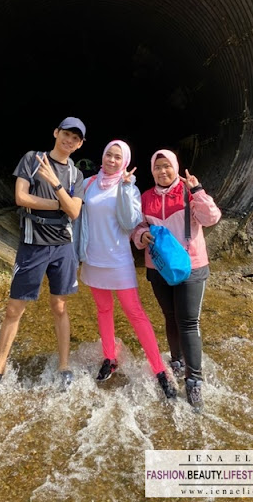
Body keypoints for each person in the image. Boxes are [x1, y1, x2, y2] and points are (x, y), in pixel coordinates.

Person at [0, 117, 86, 397]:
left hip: (63, 247)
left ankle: (64, 365)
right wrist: (59, 203)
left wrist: (54, 185)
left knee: (59, 306)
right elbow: (21, 197)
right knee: (14, 308)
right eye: (66, 134)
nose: (69, 140)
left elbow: (75, 212)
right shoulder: (32, 159)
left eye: (76, 138)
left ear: (80, 144)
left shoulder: (76, 175)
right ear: (56, 132)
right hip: (33, 244)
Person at [76, 139, 178, 400]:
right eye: (109, 155)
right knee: (103, 310)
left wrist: (123, 187)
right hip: (93, 258)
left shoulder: (130, 188)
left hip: (118, 260)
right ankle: (110, 357)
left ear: (126, 162)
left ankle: (159, 369)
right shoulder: (88, 184)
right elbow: (76, 216)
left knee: (135, 313)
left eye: (117, 157)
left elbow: (130, 222)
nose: (112, 160)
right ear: (103, 156)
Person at [132, 149, 221, 412]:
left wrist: (198, 192)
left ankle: (194, 381)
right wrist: (141, 236)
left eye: (167, 166)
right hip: (158, 267)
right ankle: (177, 361)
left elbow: (211, 218)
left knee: (189, 322)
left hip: (191, 266)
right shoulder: (145, 197)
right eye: (157, 167)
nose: (162, 171)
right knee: (170, 316)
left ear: (175, 167)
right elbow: (136, 227)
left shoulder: (187, 192)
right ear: (152, 170)